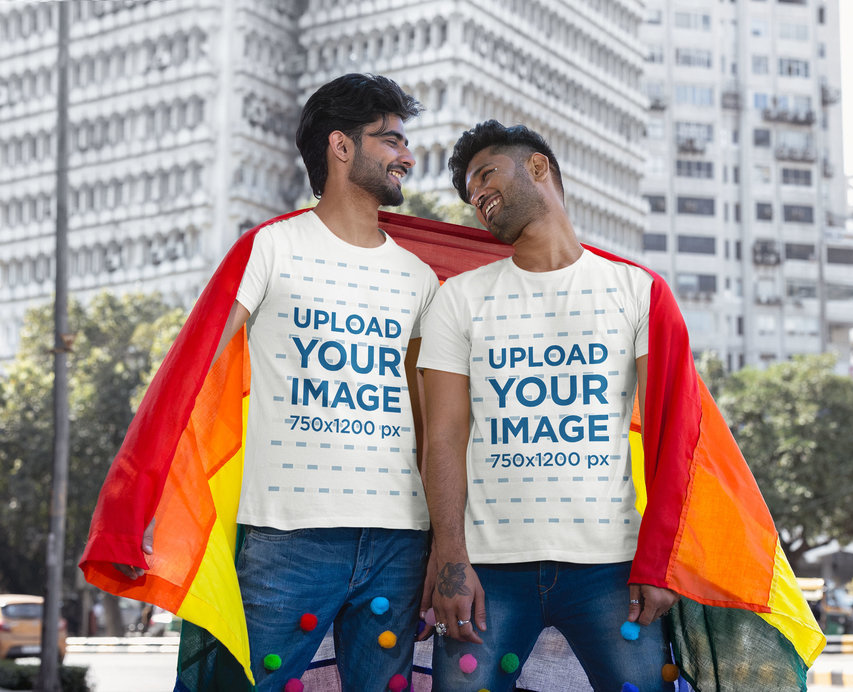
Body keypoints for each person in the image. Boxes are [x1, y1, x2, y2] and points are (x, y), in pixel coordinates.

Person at [110, 73, 439, 690]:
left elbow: (430, 420)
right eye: (390, 139)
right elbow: (194, 369)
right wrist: (147, 496)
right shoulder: (271, 248)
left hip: (399, 544)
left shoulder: (419, 277)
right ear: (341, 147)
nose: (408, 155)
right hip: (289, 540)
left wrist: (442, 543)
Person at [418, 120, 678, 691]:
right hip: (487, 571)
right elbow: (442, 437)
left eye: (486, 175)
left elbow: (670, 435)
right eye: (470, 193)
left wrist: (660, 562)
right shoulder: (458, 299)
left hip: (612, 569)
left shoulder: (638, 291)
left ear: (539, 168)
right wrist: (452, 561)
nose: (478, 195)